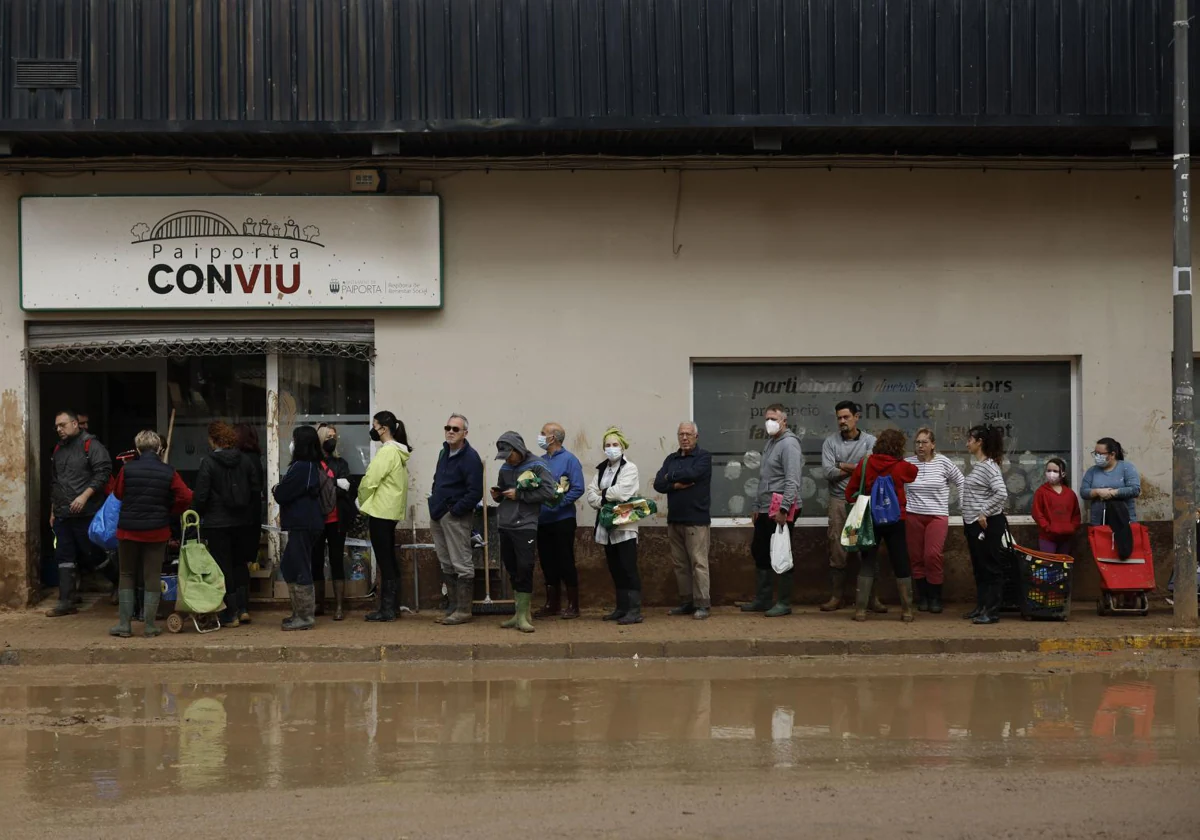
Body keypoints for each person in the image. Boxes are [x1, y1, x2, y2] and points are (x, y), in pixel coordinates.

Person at [109, 431, 192, 638]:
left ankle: (124, 625)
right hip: (157, 531)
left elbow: (118, 493)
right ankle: (149, 626)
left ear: (137, 449)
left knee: (126, 574)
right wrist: (171, 509)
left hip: (128, 530)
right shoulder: (169, 471)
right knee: (152, 576)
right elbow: (187, 496)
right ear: (159, 449)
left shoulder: (127, 470)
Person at [845, 429, 919, 622]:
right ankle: (907, 610)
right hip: (896, 519)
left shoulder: (865, 464)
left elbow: (849, 492)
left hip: (871, 519)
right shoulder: (901, 466)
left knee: (868, 560)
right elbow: (914, 473)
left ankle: (860, 610)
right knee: (900, 561)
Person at [46, 410, 113, 617]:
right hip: (63, 514)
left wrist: (84, 497)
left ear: (75, 424)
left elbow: (104, 473)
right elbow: (55, 482)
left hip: (87, 514)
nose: (59, 429)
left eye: (63, 425)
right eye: (57, 426)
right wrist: (53, 510)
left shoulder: (91, 446)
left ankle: (118, 582)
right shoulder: (58, 449)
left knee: (94, 555)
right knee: (63, 556)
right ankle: (66, 601)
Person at [193, 421, 258, 627]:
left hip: (217, 523)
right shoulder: (246, 461)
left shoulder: (208, 463)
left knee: (223, 566)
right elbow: (256, 491)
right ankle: (244, 608)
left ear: (213, 440)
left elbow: (201, 496)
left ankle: (230, 613)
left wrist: (194, 513)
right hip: (243, 521)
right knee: (240, 563)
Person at [492, 432, 558, 632]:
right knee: (511, 567)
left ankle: (523, 616)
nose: (507, 460)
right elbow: (504, 492)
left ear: (518, 449)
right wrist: (498, 495)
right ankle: (519, 613)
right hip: (506, 523)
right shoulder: (505, 467)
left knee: (525, 567)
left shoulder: (538, 465)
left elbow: (550, 492)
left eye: (509, 455)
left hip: (525, 524)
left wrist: (519, 494)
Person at [741, 404, 802, 618]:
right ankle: (763, 599)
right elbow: (764, 478)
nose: (770, 422)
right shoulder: (770, 443)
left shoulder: (789, 444)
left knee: (781, 552)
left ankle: (784, 602)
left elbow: (792, 480)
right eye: (767, 418)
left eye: (774, 419)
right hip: (765, 508)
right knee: (760, 551)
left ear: (784, 421)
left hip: (782, 509)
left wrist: (784, 509)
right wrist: (757, 506)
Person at [820, 401, 878, 612]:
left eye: (846, 417)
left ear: (856, 417)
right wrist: (858, 467)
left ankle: (871, 598)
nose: (842, 421)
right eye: (839, 418)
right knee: (838, 548)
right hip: (838, 502)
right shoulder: (830, 442)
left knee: (866, 549)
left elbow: (871, 470)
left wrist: (841, 465)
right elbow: (828, 472)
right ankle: (837, 597)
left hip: (862, 501)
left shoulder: (871, 441)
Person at [653, 421, 714, 620]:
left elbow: (693, 473)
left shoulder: (703, 457)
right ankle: (687, 602)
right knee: (680, 564)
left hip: (696, 519)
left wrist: (671, 477)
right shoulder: (671, 458)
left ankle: (702, 603)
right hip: (675, 519)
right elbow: (659, 483)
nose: (685, 438)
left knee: (699, 563)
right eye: (681, 434)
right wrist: (675, 484)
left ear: (696, 436)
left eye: (688, 434)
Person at [428, 414, 484, 626]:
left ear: (465, 433)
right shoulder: (444, 452)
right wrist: (434, 500)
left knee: (461, 562)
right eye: (448, 427)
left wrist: (456, 510)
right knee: (446, 561)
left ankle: (463, 610)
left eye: (455, 429)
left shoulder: (470, 457)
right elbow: (437, 480)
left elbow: (475, 492)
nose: (450, 431)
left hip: (455, 516)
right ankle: (452, 606)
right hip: (438, 513)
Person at [586, 427, 645, 625]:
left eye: (615, 445)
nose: (611, 448)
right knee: (615, 568)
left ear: (622, 446)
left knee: (628, 567)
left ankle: (634, 610)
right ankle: (621, 608)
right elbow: (590, 495)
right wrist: (604, 497)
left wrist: (602, 495)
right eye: (607, 445)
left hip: (625, 526)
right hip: (606, 526)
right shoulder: (602, 469)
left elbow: (623, 493)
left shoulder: (630, 468)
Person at [357, 410, 411, 622]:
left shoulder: (387, 452)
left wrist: (361, 500)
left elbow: (371, 479)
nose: (373, 429)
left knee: (385, 560)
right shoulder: (398, 452)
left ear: (383, 428)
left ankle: (387, 609)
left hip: (380, 510)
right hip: (391, 510)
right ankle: (392, 607)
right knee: (389, 559)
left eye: (375, 425)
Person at [904, 427, 965, 614]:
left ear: (933, 445)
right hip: (913, 514)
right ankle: (922, 597)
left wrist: (965, 505)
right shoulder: (908, 463)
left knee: (932, 556)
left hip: (937, 515)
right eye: (917, 442)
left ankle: (935, 597)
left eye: (924, 442)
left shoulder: (943, 462)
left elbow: (961, 481)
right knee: (916, 557)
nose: (920, 446)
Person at [272, 425, 325, 631]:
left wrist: (277, 488)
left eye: (294, 439)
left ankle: (305, 617)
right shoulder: (309, 466)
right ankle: (299, 612)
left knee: (299, 567)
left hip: (304, 523)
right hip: (303, 523)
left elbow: (282, 493)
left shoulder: (303, 467)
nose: (291, 443)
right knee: (289, 566)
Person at [535, 422, 586, 619]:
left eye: (542, 433)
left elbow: (578, 487)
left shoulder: (569, 460)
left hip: (562, 519)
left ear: (553, 438)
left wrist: (559, 503)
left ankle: (573, 605)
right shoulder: (538, 462)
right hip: (542, 520)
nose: (539, 437)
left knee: (565, 560)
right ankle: (552, 604)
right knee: (547, 561)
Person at [961, 424, 1010, 626]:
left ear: (979, 442)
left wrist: (984, 512)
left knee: (990, 567)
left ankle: (992, 611)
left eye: (970, 439)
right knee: (980, 567)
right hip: (974, 523)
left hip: (986, 524)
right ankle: (981, 607)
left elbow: (1001, 492)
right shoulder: (980, 466)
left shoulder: (989, 466)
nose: (967, 443)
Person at [315, 424, 355, 620]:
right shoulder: (312, 463)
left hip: (336, 518)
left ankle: (339, 606)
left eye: (334, 436)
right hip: (317, 519)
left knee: (336, 560)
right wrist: (334, 484)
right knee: (316, 560)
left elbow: (346, 489)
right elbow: (312, 489)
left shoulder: (340, 463)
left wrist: (330, 487)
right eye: (329, 436)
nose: (332, 440)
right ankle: (318, 603)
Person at [232, 423, 265, 624]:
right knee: (243, 563)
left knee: (232, 562)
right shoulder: (256, 460)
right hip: (251, 518)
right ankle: (244, 607)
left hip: (236, 518)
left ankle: (235, 607)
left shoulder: (238, 460)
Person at [1080, 438, 1141, 525]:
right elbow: (1083, 492)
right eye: (1095, 453)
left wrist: (1112, 493)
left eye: (1100, 454)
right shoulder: (1092, 471)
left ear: (1112, 454)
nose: (1097, 456)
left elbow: (1135, 490)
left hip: (1124, 520)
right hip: (1099, 521)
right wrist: (1097, 492)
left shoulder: (1126, 467)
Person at [1032, 457, 1081, 555]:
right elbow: (1037, 513)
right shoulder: (1041, 492)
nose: (1051, 474)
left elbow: (1076, 514)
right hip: (1047, 538)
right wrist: (1048, 528)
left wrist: (1071, 527)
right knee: (1048, 564)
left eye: (1055, 471)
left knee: (1063, 566)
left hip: (1066, 538)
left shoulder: (1070, 494)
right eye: (1049, 471)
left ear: (1063, 474)